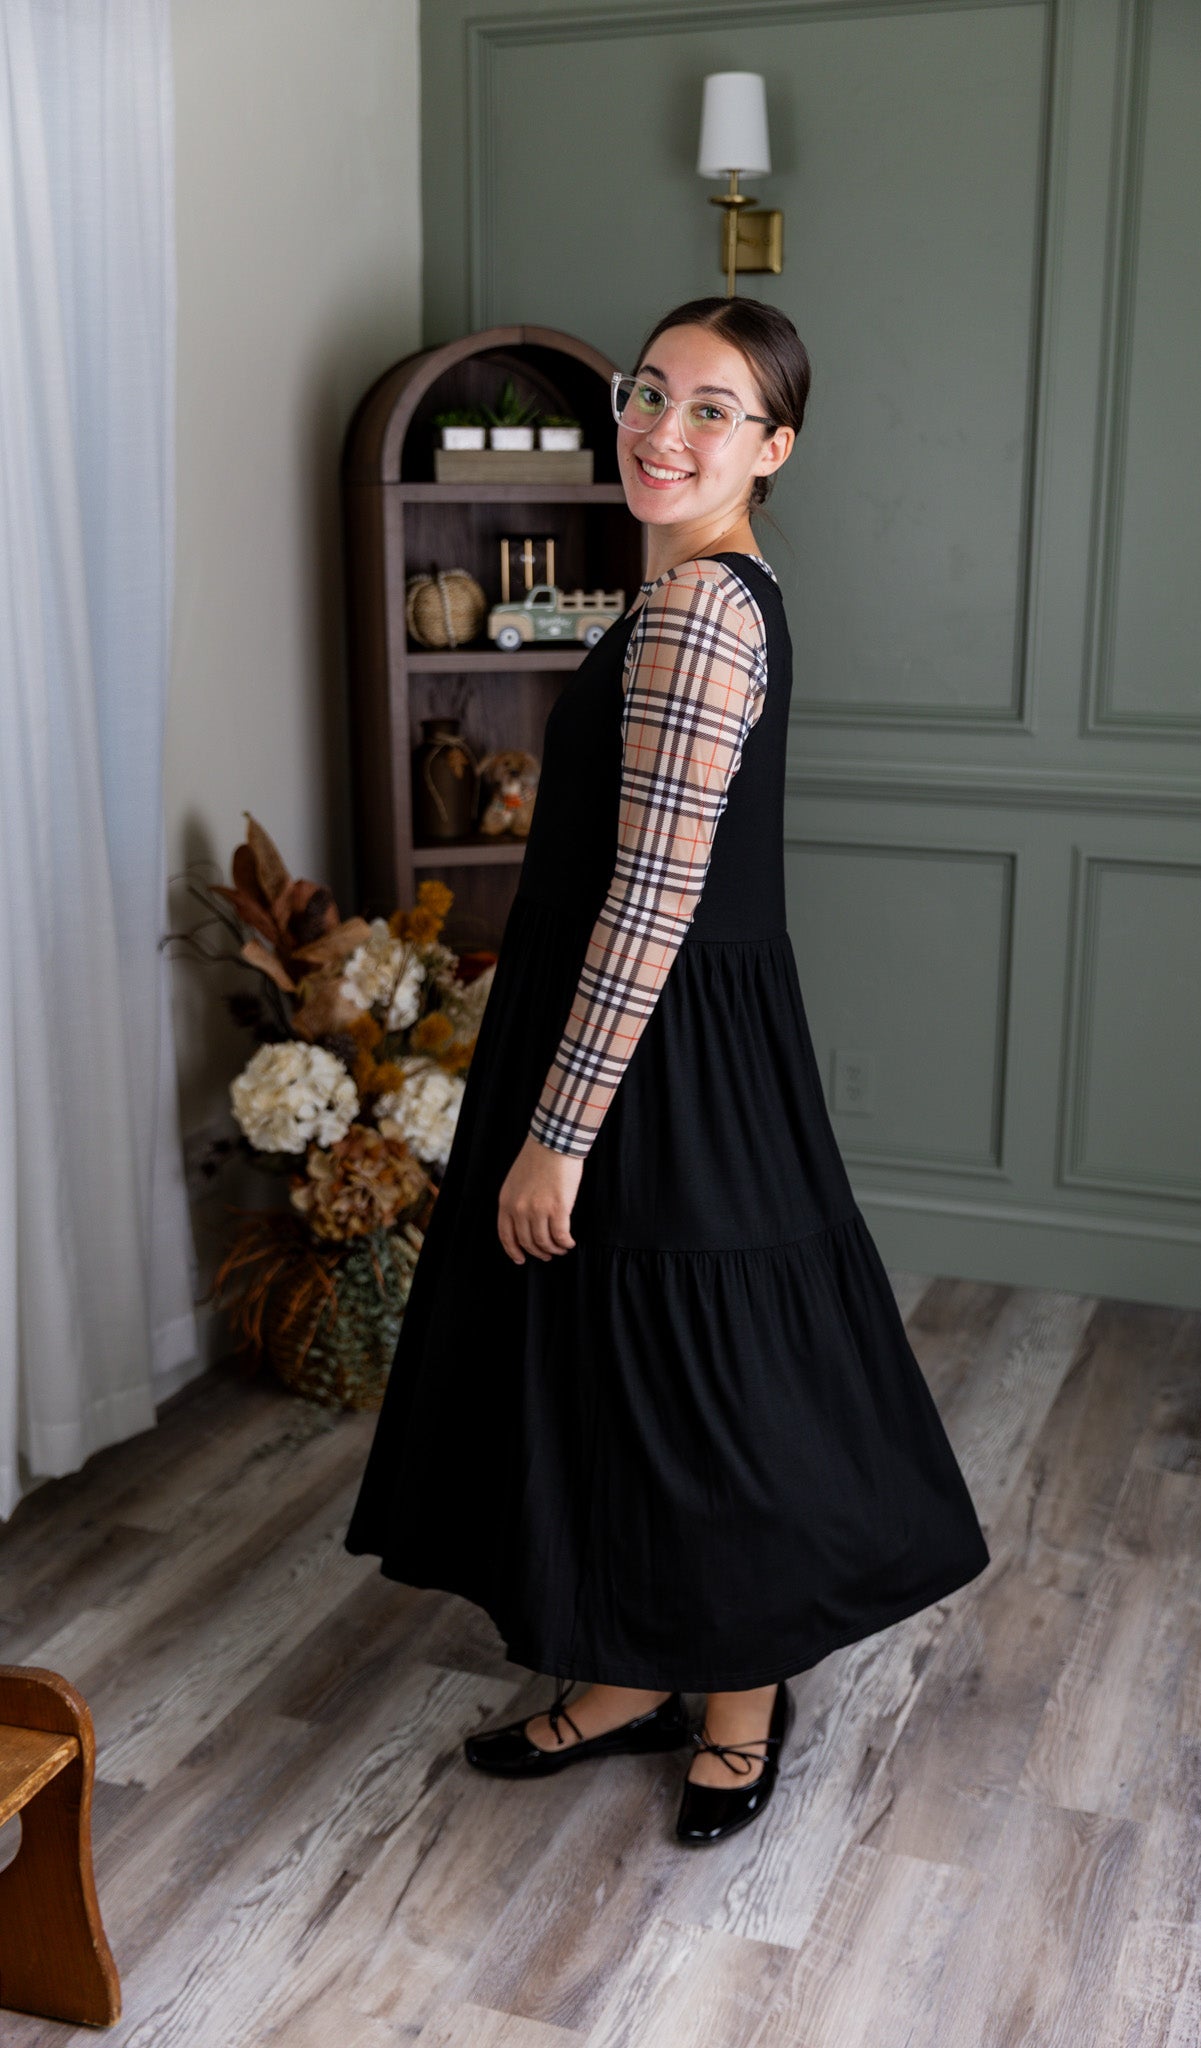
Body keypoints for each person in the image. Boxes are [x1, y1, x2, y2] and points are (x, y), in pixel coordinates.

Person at [344, 296, 990, 1847]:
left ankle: (738, 1707)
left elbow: (651, 896)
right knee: (612, 1364)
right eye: (649, 394)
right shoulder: (702, 588)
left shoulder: (700, 609)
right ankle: (634, 1674)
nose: (663, 429)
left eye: (712, 410)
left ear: (774, 446)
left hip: (660, 1056)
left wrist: (557, 1131)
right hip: (655, 1031)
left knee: (706, 1382)